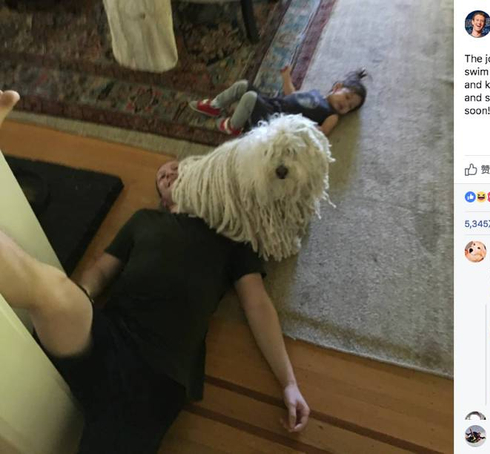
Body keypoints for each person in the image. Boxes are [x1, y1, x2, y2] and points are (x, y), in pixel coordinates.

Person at [0, 93, 310, 453]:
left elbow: (257, 304)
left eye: (178, 168)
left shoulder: (229, 234)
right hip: (104, 337)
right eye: (162, 173)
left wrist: (288, 382)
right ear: (161, 196)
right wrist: (81, 295)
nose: (169, 172)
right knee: (53, 289)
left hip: (156, 376)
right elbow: (101, 271)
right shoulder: (144, 221)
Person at [189, 66, 368, 137]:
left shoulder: (332, 115)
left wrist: (305, 126)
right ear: (337, 87)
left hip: (274, 120)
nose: (346, 105)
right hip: (272, 104)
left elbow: (323, 132)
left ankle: (234, 126)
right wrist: (286, 77)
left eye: (350, 107)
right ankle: (215, 105)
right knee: (243, 85)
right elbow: (291, 94)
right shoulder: (315, 94)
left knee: (250, 97)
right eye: (347, 97)